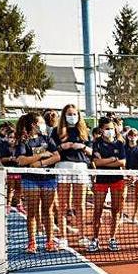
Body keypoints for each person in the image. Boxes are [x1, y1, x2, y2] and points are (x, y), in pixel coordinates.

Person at [15, 113, 60, 253]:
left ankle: (50, 242)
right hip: (30, 180)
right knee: (32, 213)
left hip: (48, 179)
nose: (44, 125)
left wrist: (39, 163)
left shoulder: (47, 139)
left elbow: (57, 156)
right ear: (34, 125)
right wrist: (41, 155)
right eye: (41, 122)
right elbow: (21, 160)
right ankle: (32, 243)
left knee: (48, 211)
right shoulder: (24, 142)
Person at [53, 104, 92, 249]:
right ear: (64, 115)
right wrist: (63, 147)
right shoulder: (57, 132)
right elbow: (53, 149)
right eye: (69, 114)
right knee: (63, 205)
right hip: (63, 168)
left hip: (80, 168)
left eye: (74, 114)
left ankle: (82, 236)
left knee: (80, 205)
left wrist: (81, 147)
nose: (72, 116)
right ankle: (63, 237)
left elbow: (91, 151)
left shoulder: (84, 131)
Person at [88, 117, 127, 253]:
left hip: (117, 179)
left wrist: (105, 161)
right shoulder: (97, 143)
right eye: (107, 129)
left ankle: (112, 239)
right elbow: (96, 163)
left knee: (116, 210)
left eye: (111, 128)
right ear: (101, 130)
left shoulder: (120, 144)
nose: (110, 131)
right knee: (97, 211)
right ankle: (95, 239)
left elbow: (122, 163)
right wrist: (112, 159)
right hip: (101, 180)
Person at [0, 122, 22, 212]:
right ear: (7, 137)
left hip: (20, 171)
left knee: (19, 188)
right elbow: (1, 159)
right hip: (9, 171)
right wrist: (10, 159)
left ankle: (19, 204)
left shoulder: (20, 146)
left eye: (14, 137)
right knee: (10, 188)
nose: (12, 139)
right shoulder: (3, 146)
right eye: (10, 137)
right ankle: (8, 205)